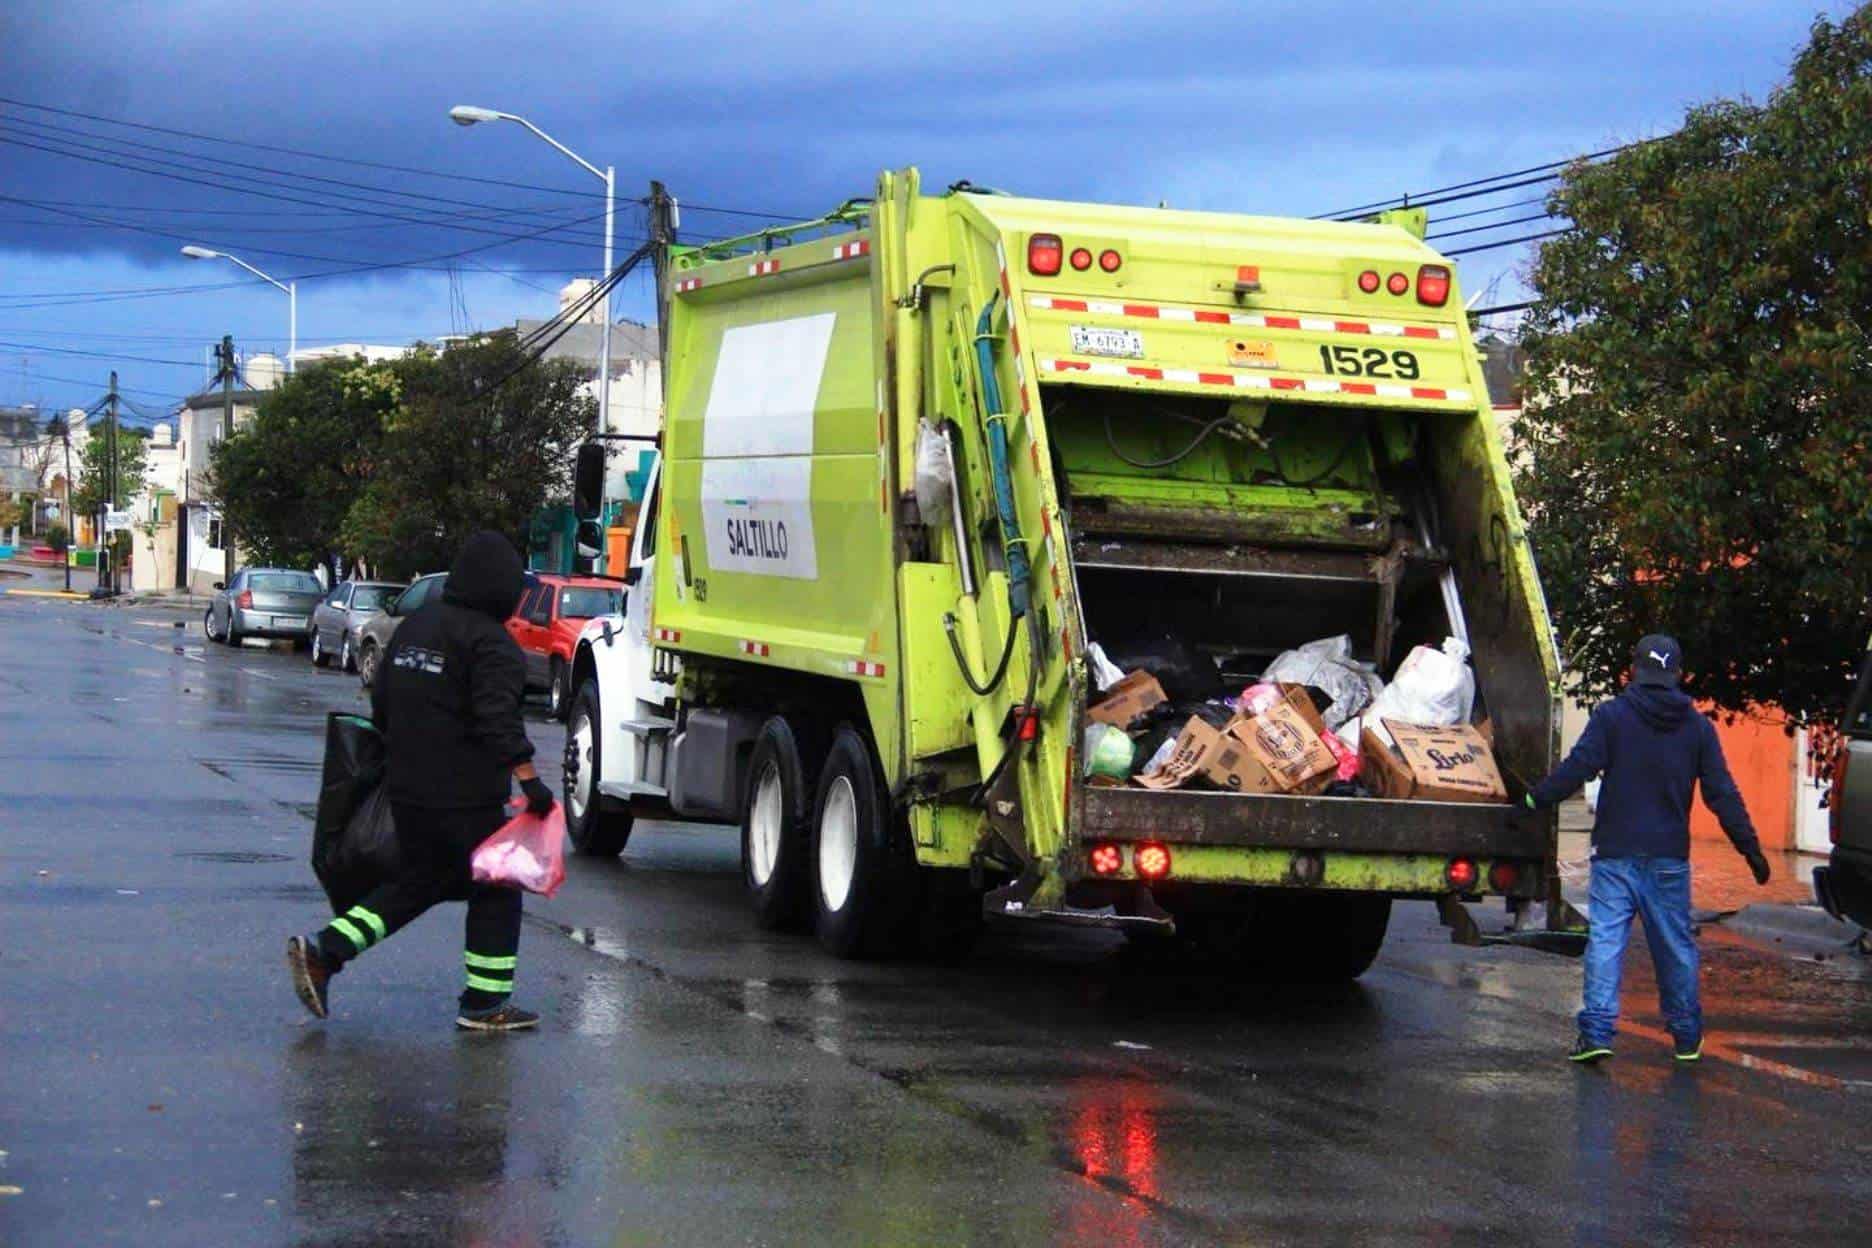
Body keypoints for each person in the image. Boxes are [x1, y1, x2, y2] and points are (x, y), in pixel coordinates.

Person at [287, 530, 553, 1032]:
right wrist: (530, 781)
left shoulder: (415, 628)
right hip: (466, 798)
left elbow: (382, 701)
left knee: (420, 883)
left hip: (407, 791)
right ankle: (485, 1004)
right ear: (500, 587)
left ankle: (326, 952)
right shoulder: (492, 644)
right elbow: (498, 720)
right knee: (497, 886)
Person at [1520, 634, 1771, 1065]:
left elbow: (1578, 767)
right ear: (1679, 674)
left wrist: (1534, 799)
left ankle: (1597, 1033)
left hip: (1615, 853)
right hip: (1669, 858)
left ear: (1634, 670)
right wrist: (1751, 851)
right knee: (1675, 946)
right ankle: (1687, 1038)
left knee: (1606, 942)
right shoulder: (1697, 728)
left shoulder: (1612, 717)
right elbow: (1722, 795)